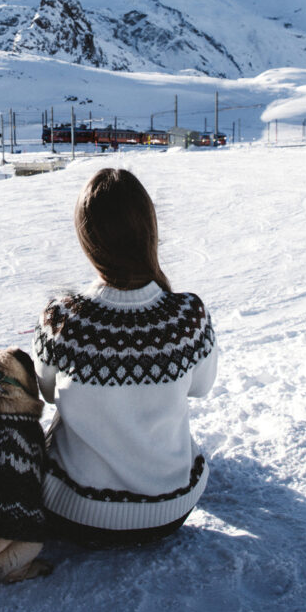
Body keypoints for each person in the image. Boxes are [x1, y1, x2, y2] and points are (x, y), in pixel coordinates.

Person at [32, 167, 217, 546]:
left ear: (86, 238)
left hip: (72, 510)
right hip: (170, 510)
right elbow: (201, 387)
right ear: (149, 230)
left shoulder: (62, 318)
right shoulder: (187, 316)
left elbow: (47, 393)